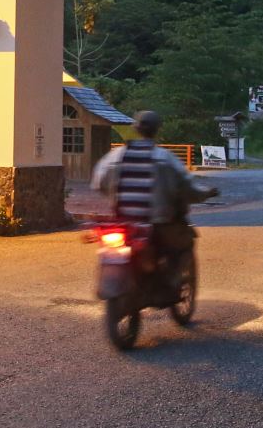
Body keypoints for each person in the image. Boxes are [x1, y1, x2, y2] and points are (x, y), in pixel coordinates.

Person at [90, 110, 217, 292]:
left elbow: (98, 183)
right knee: (184, 242)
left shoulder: (115, 156)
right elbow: (187, 187)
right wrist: (205, 194)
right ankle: (172, 279)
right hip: (158, 222)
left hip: (122, 220)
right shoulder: (164, 158)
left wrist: (113, 196)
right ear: (157, 129)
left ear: (135, 128)